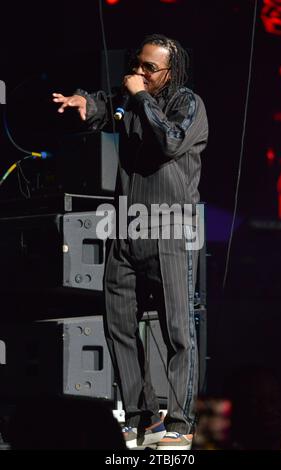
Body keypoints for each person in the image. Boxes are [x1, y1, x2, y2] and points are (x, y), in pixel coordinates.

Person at [53, 34, 208, 450]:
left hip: (171, 227)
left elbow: (169, 141)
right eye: (137, 64)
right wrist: (87, 105)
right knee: (118, 322)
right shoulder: (131, 97)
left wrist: (140, 99)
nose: (138, 73)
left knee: (177, 328)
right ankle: (144, 420)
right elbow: (107, 106)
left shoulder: (188, 105)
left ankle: (180, 421)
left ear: (170, 73)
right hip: (127, 225)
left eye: (149, 69)